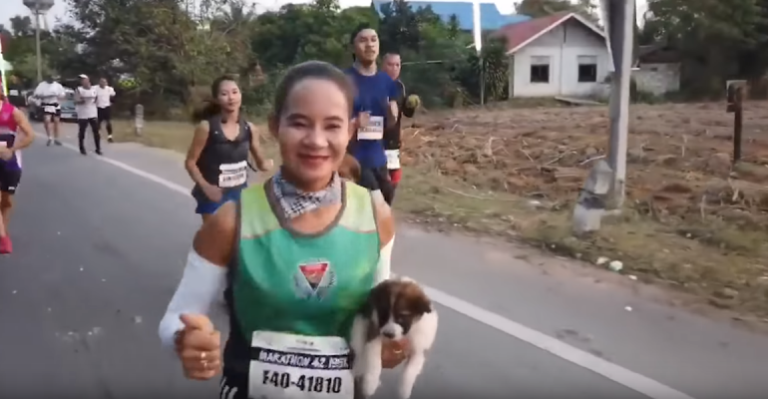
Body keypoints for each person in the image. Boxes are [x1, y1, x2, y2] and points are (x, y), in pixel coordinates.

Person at [158, 61, 406, 399]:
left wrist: (392, 342)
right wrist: (185, 339)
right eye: (299, 123)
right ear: (275, 126)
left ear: (350, 130)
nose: (316, 140)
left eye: (332, 126)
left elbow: (380, 312)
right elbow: (177, 316)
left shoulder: (376, 217)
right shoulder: (231, 222)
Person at [185, 75, 272, 222]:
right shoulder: (206, 128)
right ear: (216, 99)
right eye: (224, 94)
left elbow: (261, 163)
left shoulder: (250, 129)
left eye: (235, 92)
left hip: (239, 194)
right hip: (213, 194)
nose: (231, 98)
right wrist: (206, 187)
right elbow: (190, 162)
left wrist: (268, 164)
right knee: (216, 234)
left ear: (241, 95)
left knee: (239, 234)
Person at [345, 24, 400, 206]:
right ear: (353, 47)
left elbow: (388, 126)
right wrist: (354, 123)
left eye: (373, 40)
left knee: (387, 197)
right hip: (352, 158)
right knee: (374, 204)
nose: (369, 45)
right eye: (363, 40)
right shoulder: (343, 80)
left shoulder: (386, 81)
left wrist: (392, 116)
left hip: (378, 157)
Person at [0, 91, 36, 254]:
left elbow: (30, 135)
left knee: (6, 202)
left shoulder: (11, 112)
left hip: (10, 163)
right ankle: (3, 239)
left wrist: (12, 149)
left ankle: (3, 229)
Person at [381, 52, 418, 202]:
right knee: (379, 181)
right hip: (376, 140)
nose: (394, 68)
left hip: (393, 140)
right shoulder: (374, 84)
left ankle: (384, 208)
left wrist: (411, 106)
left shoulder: (399, 86)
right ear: (382, 66)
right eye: (390, 64)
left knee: (394, 178)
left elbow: (406, 114)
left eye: (397, 65)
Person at [33, 74, 66, 146]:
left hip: (55, 104)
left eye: (53, 78)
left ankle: (56, 138)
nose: (52, 80)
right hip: (46, 105)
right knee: (47, 121)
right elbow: (36, 95)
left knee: (56, 121)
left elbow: (62, 94)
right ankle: (50, 137)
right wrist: (44, 95)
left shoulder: (57, 85)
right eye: (50, 78)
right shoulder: (42, 85)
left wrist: (58, 96)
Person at [75, 74, 102, 156]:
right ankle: (82, 148)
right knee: (82, 131)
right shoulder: (79, 89)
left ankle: (98, 148)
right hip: (83, 113)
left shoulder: (94, 89)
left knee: (96, 131)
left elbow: (96, 98)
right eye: (81, 80)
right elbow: (76, 100)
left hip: (92, 112)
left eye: (84, 80)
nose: (83, 81)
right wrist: (82, 101)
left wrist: (93, 101)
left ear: (88, 80)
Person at [95, 77, 116, 143]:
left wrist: (112, 102)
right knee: (98, 122)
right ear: (99, 83)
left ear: (106, 83)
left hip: (107, 107)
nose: (103, 84)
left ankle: (110, 136)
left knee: (108, 122)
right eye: (102, 82)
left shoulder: (109, 89)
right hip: (98, 107)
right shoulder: (95, 88)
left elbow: (113, 96)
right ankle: (97, 134)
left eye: (104, 82)